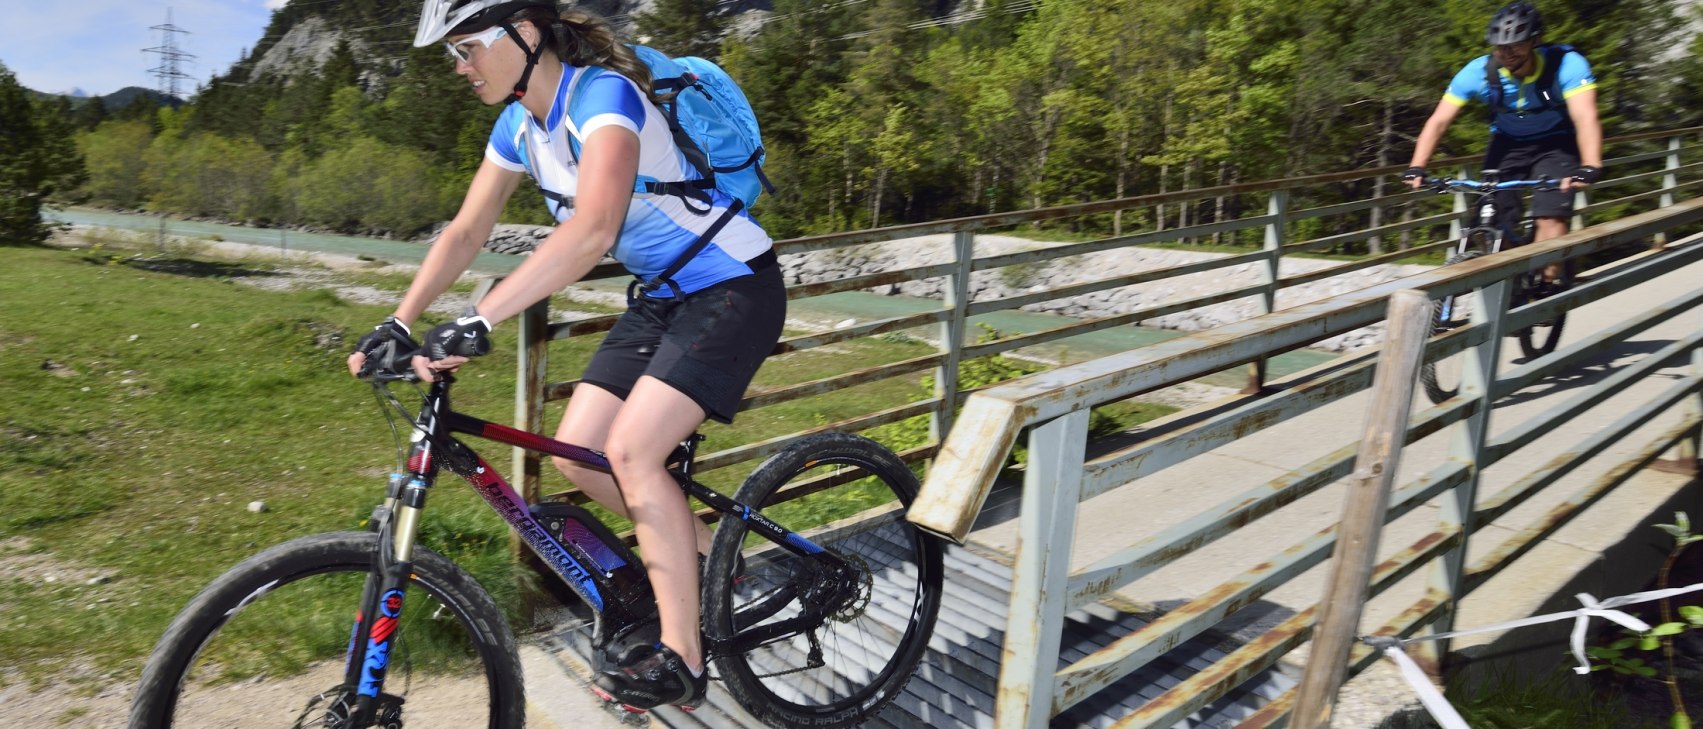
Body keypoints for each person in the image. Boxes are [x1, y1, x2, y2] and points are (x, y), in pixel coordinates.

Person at [346, 0, 786, 711]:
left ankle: (683, 656)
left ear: (523, 32)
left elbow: (592, 228)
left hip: (733, 285)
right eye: (451, 56)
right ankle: (716, 567)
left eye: (467, 48)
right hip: (663, 295)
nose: (460, 68)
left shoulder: (603, 97)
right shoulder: (517, 126)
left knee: (636, 453)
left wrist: (479, 319)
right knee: (577, 450)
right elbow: (464, 231)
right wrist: (399, 320)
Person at [1403, 1, 1603, 277]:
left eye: (1516, 45)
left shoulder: (1567, 66)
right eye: (1499, 46)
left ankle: (1547, 286)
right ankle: (1513, 280)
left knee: (1549, 216)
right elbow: (1439, 121)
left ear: (1535, 41)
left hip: (1556, 144)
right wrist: (1417, 166)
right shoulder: (1477, 73)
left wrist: (1591, 165)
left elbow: (1585, 117)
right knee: (1487, 220)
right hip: (1507, 143)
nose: (1506, 53)